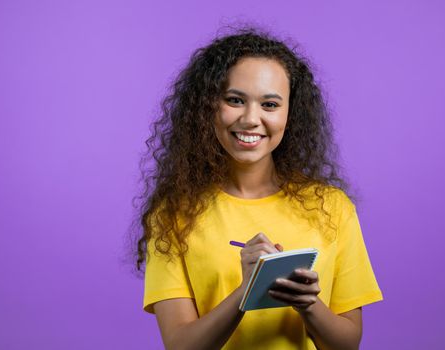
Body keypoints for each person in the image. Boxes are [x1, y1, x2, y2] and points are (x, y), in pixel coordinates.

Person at [134, 27, 383, 350]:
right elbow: (181, 346)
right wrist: (248, 290)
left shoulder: (331, 207)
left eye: (270, 104)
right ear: (208, 106)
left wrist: (309, 305)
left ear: (290, 114)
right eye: (235, 100)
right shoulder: (172, 215)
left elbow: (347, 344)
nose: (251, 119)